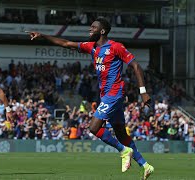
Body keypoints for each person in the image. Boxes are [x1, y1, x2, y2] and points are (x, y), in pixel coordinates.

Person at [27, 17, 154, 179]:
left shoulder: (116, 47)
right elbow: (66, 43)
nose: (90, 29)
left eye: (93, 27)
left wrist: (143, 92)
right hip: (106, 96)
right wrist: (43, 36)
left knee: (93, 127)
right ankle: (145, 165)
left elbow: (136, 66)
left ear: (102, 31)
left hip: (114, 94)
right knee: (121, 134)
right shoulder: (91, 47)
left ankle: (124, 151)